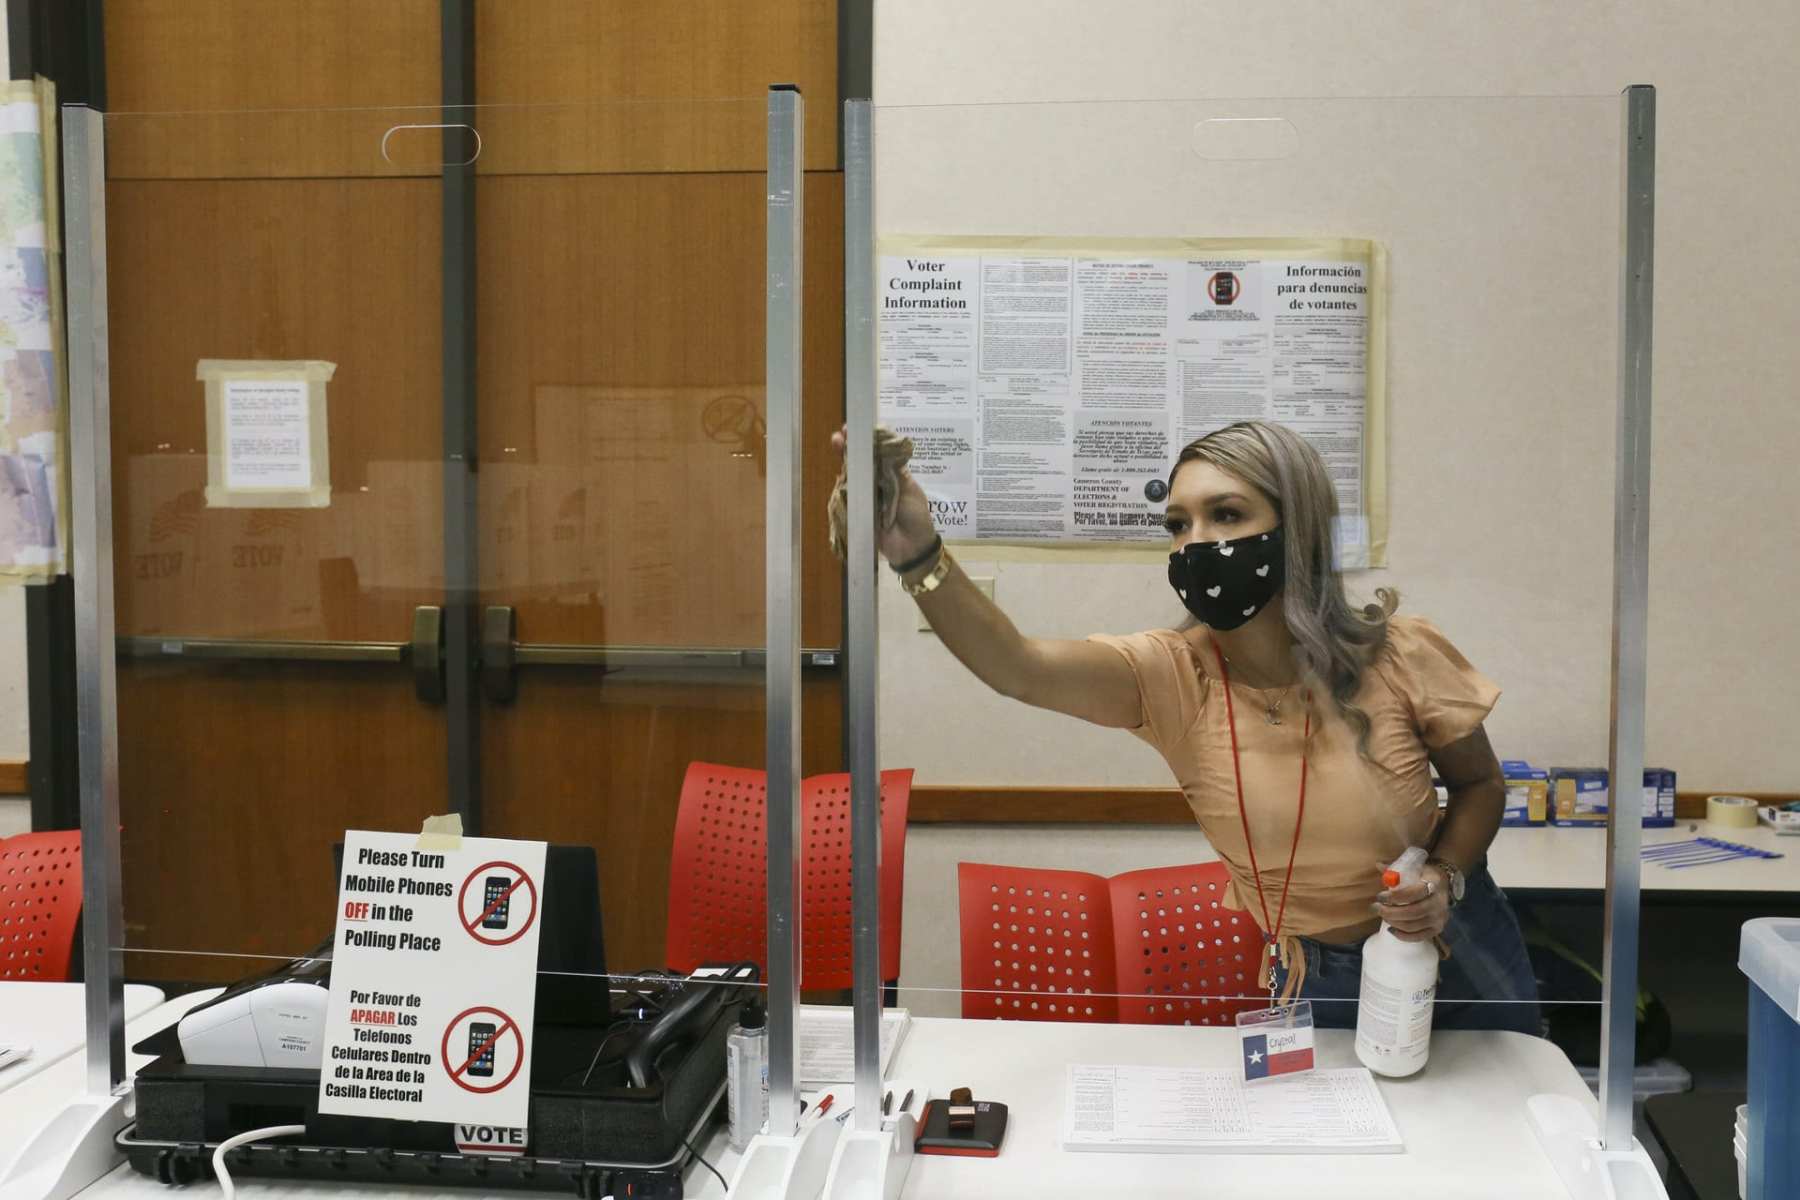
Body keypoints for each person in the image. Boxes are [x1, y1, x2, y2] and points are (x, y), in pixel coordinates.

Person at [842, 419, 1540, 1032]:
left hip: (1459, 946)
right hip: (1317, 977)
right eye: (1179, 524)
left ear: (1295, 529)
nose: (1196, 543)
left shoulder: (1399, 653)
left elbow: (1479, 785)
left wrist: (1444, 878)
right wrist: (918, 554)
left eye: (1227, 515)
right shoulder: (1171, 678)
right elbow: (1016, 666)